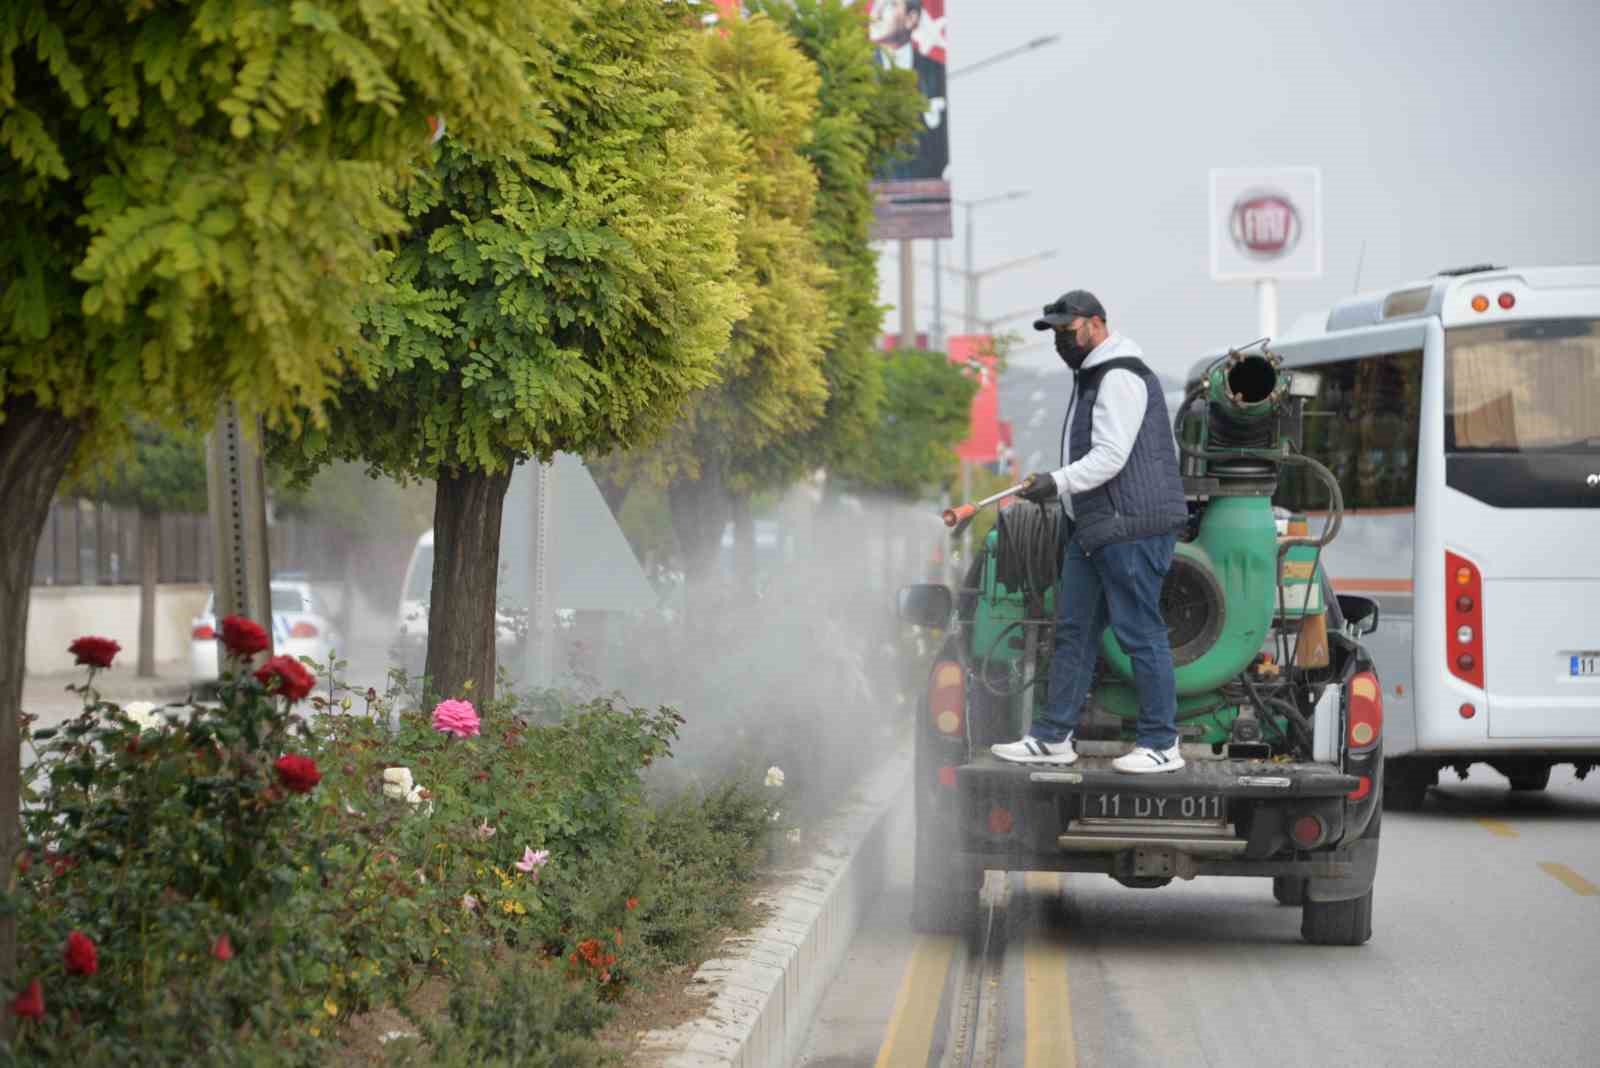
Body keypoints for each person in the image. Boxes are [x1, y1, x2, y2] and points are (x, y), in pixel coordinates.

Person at [990, 290, 1190, 773]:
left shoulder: (1119, 375)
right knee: (1075, 632)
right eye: (1055, 332)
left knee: (1140, 633)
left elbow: (1110, 457)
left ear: (1097, 324)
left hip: (1130, 525)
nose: (1061, 339)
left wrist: (1054, 483)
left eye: (1068, 329)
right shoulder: (1094, 376)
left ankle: (1163, 744)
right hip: (1097, 527)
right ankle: (1053, 737)